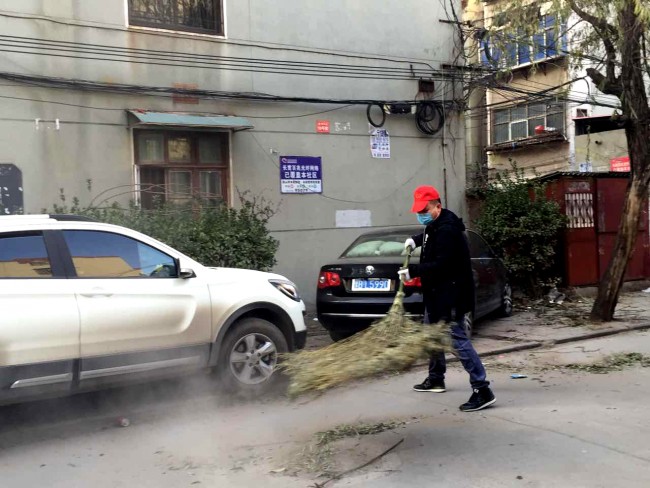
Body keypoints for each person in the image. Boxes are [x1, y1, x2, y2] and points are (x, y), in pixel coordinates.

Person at [397, 185, 496, 412]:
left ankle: (482, 389)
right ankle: (436, 379)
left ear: (437, 206)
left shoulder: (448, 230)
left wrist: (414, 271)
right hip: (436, 294)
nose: (421, 214)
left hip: (451, 295)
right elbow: (430, 237)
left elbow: (443, 264)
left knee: (457, 339)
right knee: (431, 334)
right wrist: (416, 240)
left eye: (424, 210)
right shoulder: (435, 224)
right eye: (418, 211)